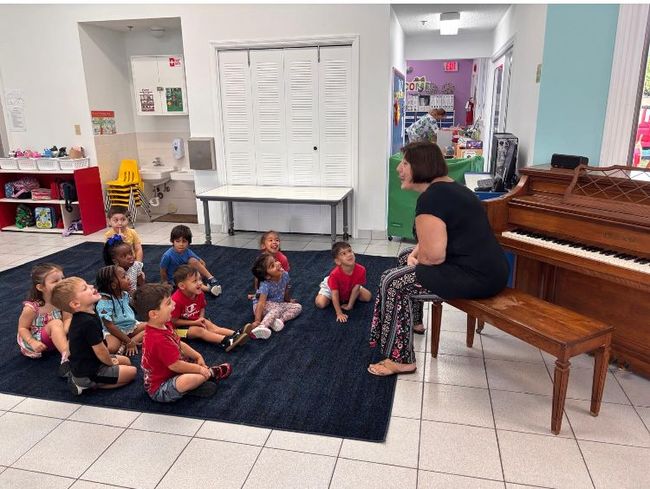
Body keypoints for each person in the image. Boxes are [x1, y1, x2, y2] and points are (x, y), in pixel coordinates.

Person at [368, 142, 509, 376]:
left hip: (477, 276)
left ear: (420, 167)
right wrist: (415, 256)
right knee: (405, 257)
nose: (399, 169)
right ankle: (414, 322)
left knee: (392, 282)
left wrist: (420, 260)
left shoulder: (432, 199)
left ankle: (401, 359)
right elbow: (440, 236)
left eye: (404, 163)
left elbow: (433, 257)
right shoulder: (449, 188)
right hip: (489, 269)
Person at [134, 283, 233, 402]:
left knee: (194, 373)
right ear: (154, 314)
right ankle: (210, 373)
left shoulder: (165, 324)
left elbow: (179, 343)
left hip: (173, 373)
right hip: (160, 388)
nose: (174, 304)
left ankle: (195, 384)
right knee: (193, 376)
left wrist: (197, 355)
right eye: (168, 303)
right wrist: (199, 369)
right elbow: (176, 365)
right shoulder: (157, 339)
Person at [51, 277, 137, 395]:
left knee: (126, 361)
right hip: (91, 370)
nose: (91, 286)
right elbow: (101, 351)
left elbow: (72, 343)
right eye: (85, 288)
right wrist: (110, 363)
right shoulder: (87, 322)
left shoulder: (85, 315)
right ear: (75, 304)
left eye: (88, 284)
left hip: (90, 361)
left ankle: (77, 376)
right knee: (132, 372)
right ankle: (86, 384)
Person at [170, 265, 252, 352]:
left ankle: (237, 335)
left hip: (193, 320)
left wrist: (201, 318)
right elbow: (174, 321)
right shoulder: (176, 301)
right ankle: (226, 341)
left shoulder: (199, 293)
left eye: (200, 279)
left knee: (212, 327)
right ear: (182, 286)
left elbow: (202, 307)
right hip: (176, 329)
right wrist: (194, 322)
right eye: (195, 281)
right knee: (199, 331)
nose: (200, 283)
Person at [16, 263, 72, 377]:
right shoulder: (32, 308)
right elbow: (22, 328)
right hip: (39, 342)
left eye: (62, 278)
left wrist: (64, 331)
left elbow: (68, 317)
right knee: (56, 323)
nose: (61, 282)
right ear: (41, 287)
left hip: (57, 336)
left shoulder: (62, 299)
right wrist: (33, 342)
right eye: (55, 281)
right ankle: (67, 359)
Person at [315, 241, 372, 323]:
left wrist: (350, 305)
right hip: (332, 287)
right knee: (321, 303)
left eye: (349, 251)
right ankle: (323, 290)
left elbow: (356, 289)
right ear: (338, 261)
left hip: (350, 285)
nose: (349, 254)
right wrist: (339, 313)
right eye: (343, 253)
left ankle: (350, 290)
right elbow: (334, 294)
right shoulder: (334, 275)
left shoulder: (361, 269)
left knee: (367, 297)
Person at [95, 265, 146, 356]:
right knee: (111, 348)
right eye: (124, 277)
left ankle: (128, 342)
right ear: (113, 285)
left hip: (131, 326)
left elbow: (134, 305)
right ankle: (127, 341)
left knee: (151, 327)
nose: (129, 278)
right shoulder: (104, 303)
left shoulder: (124, 294)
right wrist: (128, 341)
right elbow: (110, 326)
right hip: (114, 332)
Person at [160, 224, 221, 297]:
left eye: (184, 241)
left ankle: (211, 279)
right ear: (172, 241)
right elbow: (163, 270)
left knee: (193, 261)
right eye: (178, 241)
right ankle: (209, 289)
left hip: (187, 273)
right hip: (175, 279)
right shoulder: (167, 255)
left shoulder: (187, 251)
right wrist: (165, 282)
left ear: (188, 243)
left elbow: (202, 263)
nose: (181, 244)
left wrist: (198, 275)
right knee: (189, 281)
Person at [250, 253, 302, 338]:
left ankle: (279, 321)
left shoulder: (285, 275)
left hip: (278, 304)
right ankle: (262, 326)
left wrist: (288, 300)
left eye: (276, 261)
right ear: (267, 276)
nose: (278, 264)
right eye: (272, 265)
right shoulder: (265, 285)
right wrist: (257, 320)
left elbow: (285, 289)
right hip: (262, 307)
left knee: (298, 307)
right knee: (277, 308)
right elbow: (261, 303)